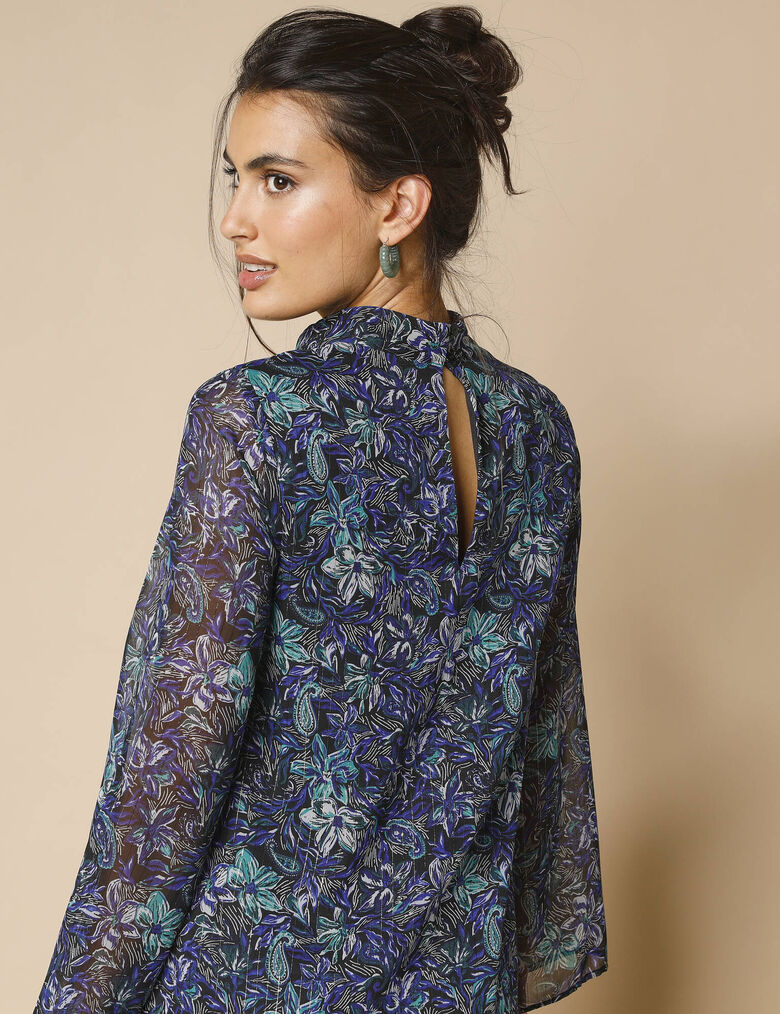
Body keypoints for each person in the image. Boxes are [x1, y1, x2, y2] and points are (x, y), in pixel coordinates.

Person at [33, 6, 607, 1013]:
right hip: (454, 985)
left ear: (399, 206)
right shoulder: (537, 430)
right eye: (236, 177)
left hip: (247, 979)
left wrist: (79, 998)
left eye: (278, 180)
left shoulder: (255, 417)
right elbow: (545, 745)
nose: (236, 220)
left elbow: (175, 758)